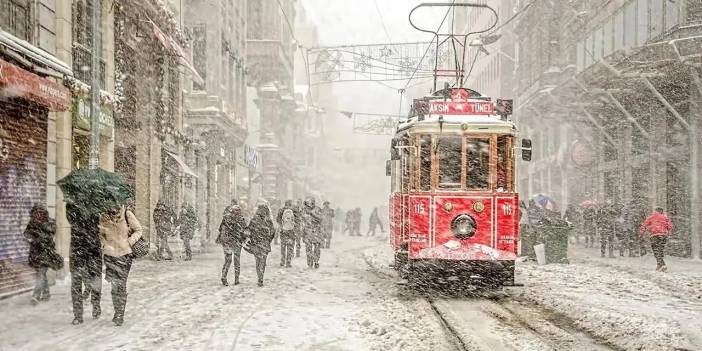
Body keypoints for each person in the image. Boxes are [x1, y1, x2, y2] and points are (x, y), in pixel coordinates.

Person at [98, 205, 143, 326]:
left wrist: (129, 242)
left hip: (124, 255)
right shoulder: (104, 216)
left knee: (121, 284)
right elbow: (100, 234)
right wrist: (104, 244)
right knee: (114, 285)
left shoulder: (127, 214)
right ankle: (117, 310)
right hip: (110, 255)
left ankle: (119, 314)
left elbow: (139, 230)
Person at [66, 202, 103, 325]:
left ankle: (96, 304)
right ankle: (78, 314)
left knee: (95, 279)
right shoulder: (72, 204)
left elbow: (100, 222)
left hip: (93, 250)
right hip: (77, 250)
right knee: (76, 283)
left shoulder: (97, 203)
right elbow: (70, 218)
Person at [24, 205, 59, 305]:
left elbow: (49, 236)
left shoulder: (50, 223)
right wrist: (31, 235)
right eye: (35, 213)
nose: (38, 215)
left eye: (40, 213)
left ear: (44, 214)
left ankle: (36, 295)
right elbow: (26, 234)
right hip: (35, 254)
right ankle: (46, 293)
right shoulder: (32, 223)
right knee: (41, 275)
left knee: (40, 274)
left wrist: (37, 235)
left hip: (46, 253)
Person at [216, 202, 247, 286]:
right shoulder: (241, 219)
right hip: (236, 241)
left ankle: (224, 277)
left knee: (228, 260)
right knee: (236, 261)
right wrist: (243, 238)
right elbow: (244, 231)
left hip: (227, 242)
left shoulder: (226, 218)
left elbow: (220, 229)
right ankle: (236, 279)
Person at [246, 204, 276, 286]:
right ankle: (261, 277)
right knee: (263, 261)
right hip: (265, 243)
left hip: (256, 243)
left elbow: (249, 231)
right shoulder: (268, 220)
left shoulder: (254, 219)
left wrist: (252, 238)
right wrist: (268, 240)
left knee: (257, 261)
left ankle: (259, 276)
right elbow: (273, 232)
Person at [640, 207, 673, 272]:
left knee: (656, 250)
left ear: (655, 211)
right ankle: (659, 265)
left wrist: (641, 233)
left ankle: (662, 264)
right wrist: (668, 233)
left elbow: (644, 225)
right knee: (660, 250)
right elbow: (670, 226)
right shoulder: (665, 218)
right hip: (663, 235)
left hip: (654, 235)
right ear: (661, 211)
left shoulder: (651, 217)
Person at [302, 198, 323, 268]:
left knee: (317, 248)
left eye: (313, 202)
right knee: (308, 249)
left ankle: (316, 261)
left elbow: (321, 219)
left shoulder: (318, 209)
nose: (311, 204)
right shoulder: (304, 210)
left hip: (316, 232)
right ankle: (310, 262)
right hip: (307, 232)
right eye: (310, 202)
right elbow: (302, 221)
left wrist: (312, 214)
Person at [277, 200, 297, 267]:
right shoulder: (294, 210)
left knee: (283, 246)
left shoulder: (281, 210)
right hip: (291, 231)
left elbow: (278, 219)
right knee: (290, 246)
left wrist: (282, 226)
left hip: (283, 231)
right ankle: (288, 262)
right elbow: (297, 220)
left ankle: (282, 261)